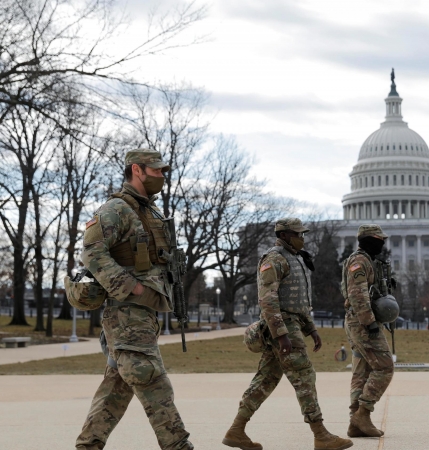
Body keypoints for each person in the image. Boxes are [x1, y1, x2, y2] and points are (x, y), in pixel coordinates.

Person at [75, 149, 193, 450]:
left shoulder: (149, 211)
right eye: (156, 171)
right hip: (127, 313)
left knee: (117, 387)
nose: (162, 176)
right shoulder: (116, 209)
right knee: (152, 381)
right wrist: (130, 287)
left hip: (144, 315)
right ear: (137, 170)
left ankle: (88, 445)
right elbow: (91, 251)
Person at [222, 218, 352, 450]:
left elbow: (300, 302)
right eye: (298, 234)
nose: (302, 238)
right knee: (304, 376)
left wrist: (311, 329)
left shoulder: (295, 258)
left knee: (266, 379)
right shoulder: (274, 259)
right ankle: (321, 435)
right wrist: (281, 334)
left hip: (292, 324)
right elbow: (268, 299)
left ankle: (236, 431)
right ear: (284, 235)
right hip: (283, 327)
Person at [340, 224, 394, 438]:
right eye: (380, 240)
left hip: (358, 321)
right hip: (362, 323)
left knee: (361, 371)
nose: (383, 244)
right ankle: (363, 413)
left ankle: (355, 423)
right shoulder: (359, 260)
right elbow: (357, 294)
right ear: (371, 240)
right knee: (384, 367)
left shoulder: (367, 260)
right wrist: (369, 322)